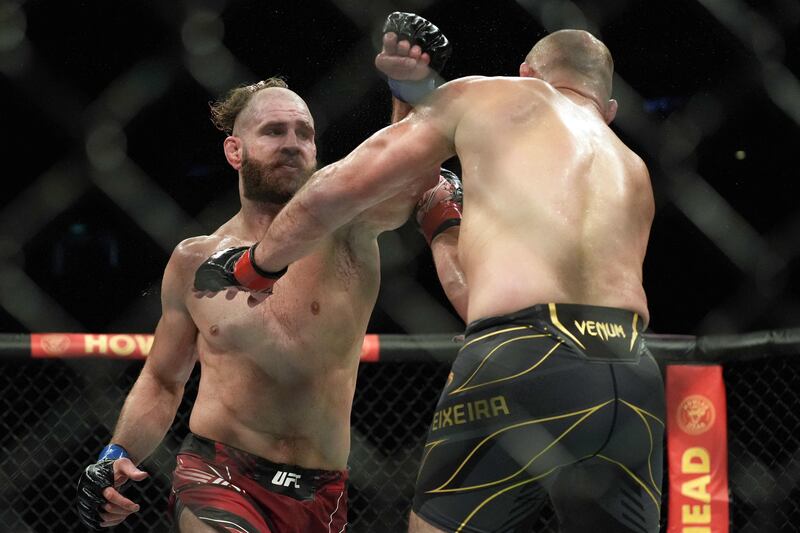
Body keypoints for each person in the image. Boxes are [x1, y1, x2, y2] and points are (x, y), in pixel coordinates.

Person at [194, 27, 665, 533]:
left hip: (525, 351)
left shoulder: (492, 94)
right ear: (609, 107)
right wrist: (441, 216)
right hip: (633, 372)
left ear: (527, 74)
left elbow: (348, 185)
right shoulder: (632, 167)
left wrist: (256, 264)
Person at [76, 14, 462, 531]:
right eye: (274, 131)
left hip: (324, 491)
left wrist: (408, 89)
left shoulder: (346, 226)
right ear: (235, 150)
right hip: (219, 474)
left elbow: (406, 171)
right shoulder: (195, 260)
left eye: (304, 133)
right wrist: (116, 451)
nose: (292, 143)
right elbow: (164, 380)